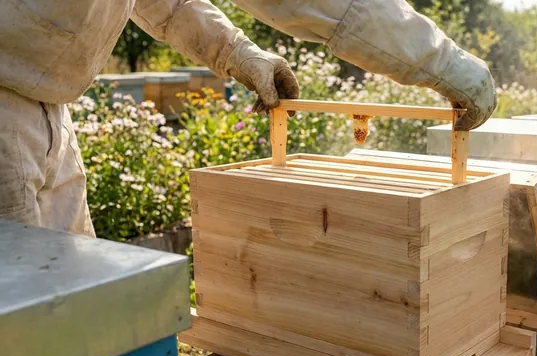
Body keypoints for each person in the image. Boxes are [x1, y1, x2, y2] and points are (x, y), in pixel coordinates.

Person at [0, 0, 497, 238]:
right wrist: (443, 63)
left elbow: (163, 2)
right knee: (20, 337)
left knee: (68, 314)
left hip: (47, 109)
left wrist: (237, 52)